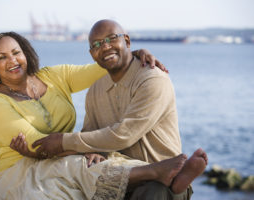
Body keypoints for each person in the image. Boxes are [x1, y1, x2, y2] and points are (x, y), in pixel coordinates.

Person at [0, 31, 187, 200]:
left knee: (96, 161)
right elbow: (36, 144)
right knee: (82, 165)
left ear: (26, 53)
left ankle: (163, 175)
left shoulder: (53, 76)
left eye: (16, 52)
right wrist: (83, 151)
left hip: (60, 155)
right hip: (18, 170)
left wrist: (133, 53)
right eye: (2, 57)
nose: (13, 60)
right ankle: (155, 172)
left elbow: (103, 66)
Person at [26, 20, 208, 199]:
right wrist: (93, 151)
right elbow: (90, 135)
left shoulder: (152, 78)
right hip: (123, 176)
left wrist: (63, 141)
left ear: (127, 41)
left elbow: (124, 134)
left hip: (162, 172)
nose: (105, 47)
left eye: (112, 38)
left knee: (153, 192)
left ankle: (177, 181)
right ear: (92, 55)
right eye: (97, 44)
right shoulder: (95, 90)